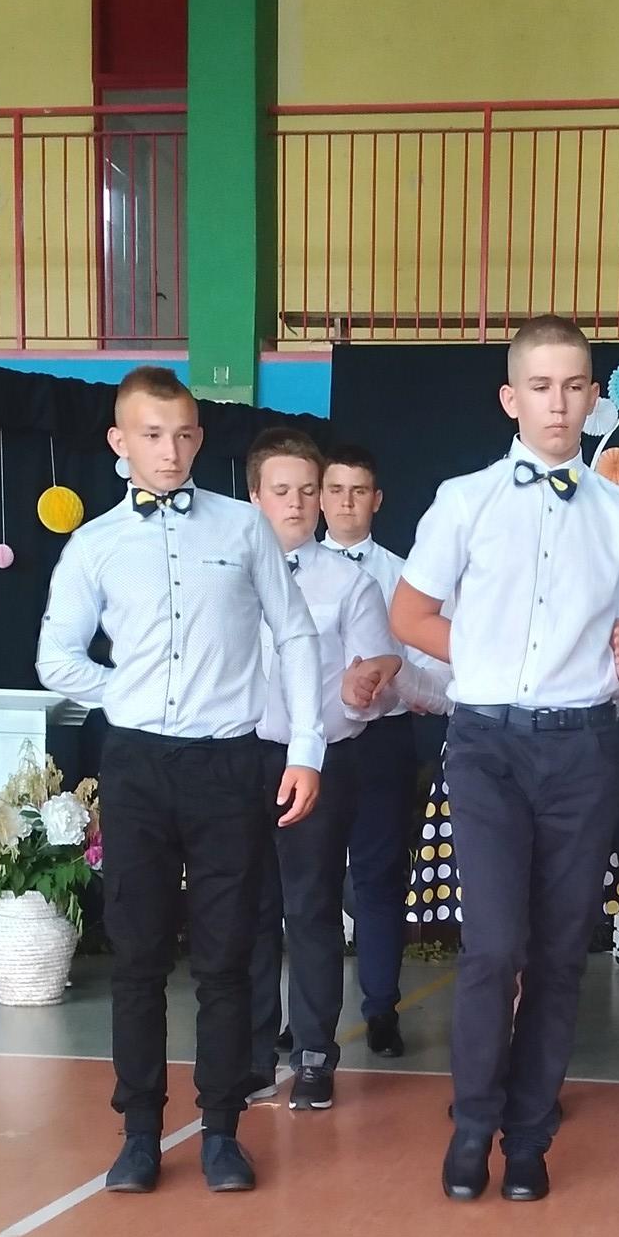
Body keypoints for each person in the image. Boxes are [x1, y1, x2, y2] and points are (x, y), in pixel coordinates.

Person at [391, 315, 619, 1205]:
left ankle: (532, 1137)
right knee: (493, 946)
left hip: (583, 746)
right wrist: (489, 662)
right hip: (486, 745)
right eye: (540, 386)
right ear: (511, 398)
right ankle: (473, 1126)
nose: (558, 403)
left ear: (594, 397)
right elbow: (408, 614)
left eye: (573, 386)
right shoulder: (464, 499)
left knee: (557, 954)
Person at [36, 365, 323, 1198]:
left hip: (229, 763)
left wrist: (307, 748)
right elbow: (56, 657)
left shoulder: (244, 527)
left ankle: (222, 1131)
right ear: (120, 442)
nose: (170, 451)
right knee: (137, 955)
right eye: (152, 435)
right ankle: (138, 1134)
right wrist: (123, 693)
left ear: (200, 438)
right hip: (135, 764)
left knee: (227, 957)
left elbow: (296, 635)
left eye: (184, 434)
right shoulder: (94, 544)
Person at [245, 428, 400, 1111]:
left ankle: (313, 1055)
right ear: (255, 495)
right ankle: (252, 1053)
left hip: (324, 760)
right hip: (238, 757)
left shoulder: (350, 582)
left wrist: (366, 684)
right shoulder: (225, 573)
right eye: (282, 490)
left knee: (310, 907)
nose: (297, 502)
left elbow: (379, 671)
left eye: (308, 491)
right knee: (247, 907)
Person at [318, 441, 449, 1058]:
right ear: (320, 498)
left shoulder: (404, 577)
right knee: (311, 882)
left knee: (378, 877)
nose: (347, 502)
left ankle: (381, 1010)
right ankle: (309, 1018)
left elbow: (431, 667)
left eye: (358, 491)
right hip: (314, 743)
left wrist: (395, 680)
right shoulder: (292, 572)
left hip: (385, 741)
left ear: (377, 499)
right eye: (335, 490)